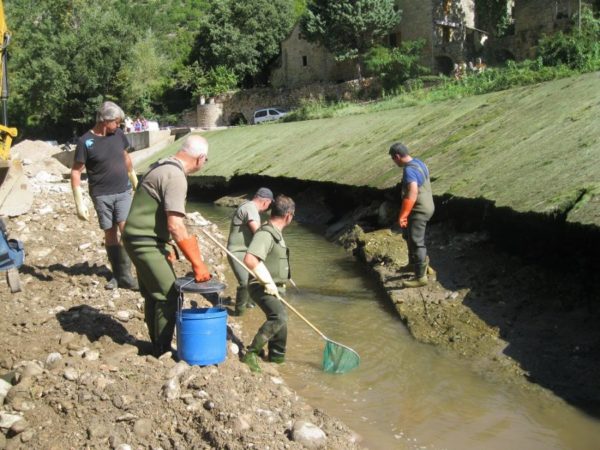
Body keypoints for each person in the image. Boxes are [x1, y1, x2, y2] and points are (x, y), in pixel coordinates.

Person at [122, 135, 212, 357]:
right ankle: (161, 350)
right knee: (170, 294)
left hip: (139, 238)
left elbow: (160, 218)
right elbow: (175, 225)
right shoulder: (176, 176)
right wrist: (198, 264)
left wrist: (166, 246)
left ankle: (155, 345)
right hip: (144, 241)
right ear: (200, 159)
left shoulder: (162, 165)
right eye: (206, 160)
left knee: (154, 294)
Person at [70, 101, 139, 291]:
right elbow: (76, 171)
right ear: (105, 121)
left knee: (126, 231)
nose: (119, 125)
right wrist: (79, 201)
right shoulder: (85, 142)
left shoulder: (118, 135)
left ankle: (127, 276)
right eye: (116, 122)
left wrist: (133, 178)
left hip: (123, 191)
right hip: (101, 195)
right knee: (110, 233)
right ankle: (117, 274)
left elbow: (125, 156)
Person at [241, 195, 295, 373]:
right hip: (261, 285)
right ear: (288, 216)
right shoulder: (266, 233)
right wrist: (267, 281)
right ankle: (251, 354)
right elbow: (250, 259)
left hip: (276, 286)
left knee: (282, 324)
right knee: (279, 317)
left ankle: (276, 358)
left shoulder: (276, 233)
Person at [389, 143, 435, 288]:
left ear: (397, 156)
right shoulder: (419, 163)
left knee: (416, 241)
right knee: (408, 235)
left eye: (393, 159)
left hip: (419, 209)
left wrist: (403, 215)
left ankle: (421, 278)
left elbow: (412, 193)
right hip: (426, 205)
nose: (393, 162)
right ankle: (414, 265)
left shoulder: (409, 170)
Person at [226, 187, 274, 316]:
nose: (268, 207)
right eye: (269, 204)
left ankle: (250, 306)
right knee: (244, 282)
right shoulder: (250, 208)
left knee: (254, 281)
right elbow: (257, 232)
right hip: (237, 252)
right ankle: (239, 313)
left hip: (247, 252)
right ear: (265, 202)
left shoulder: (249, 207)